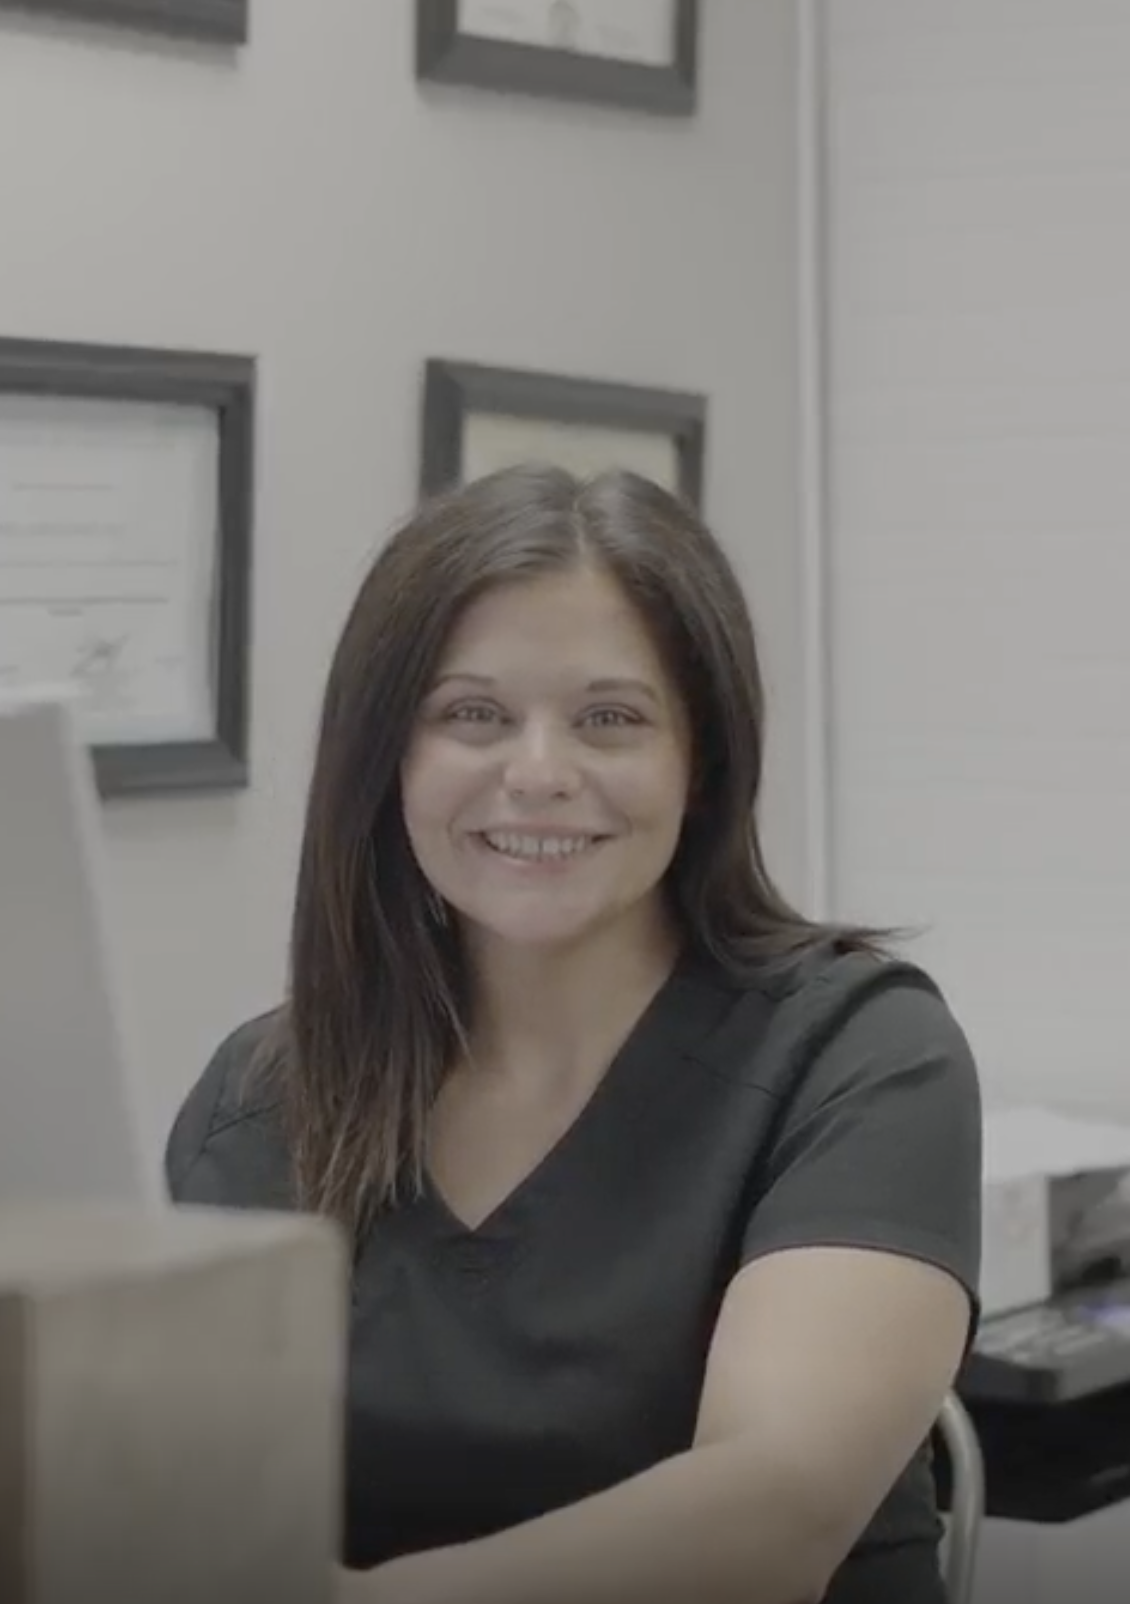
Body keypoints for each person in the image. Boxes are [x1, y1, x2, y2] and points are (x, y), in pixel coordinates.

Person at [165, 463, 984, 1604]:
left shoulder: (857, 1052)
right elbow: (182, 1503)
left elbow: (773, 1514)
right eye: (471, 714)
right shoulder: (264, 1095)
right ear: (385, 760)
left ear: (698, 763)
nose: (537, 774)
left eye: (609, 718)